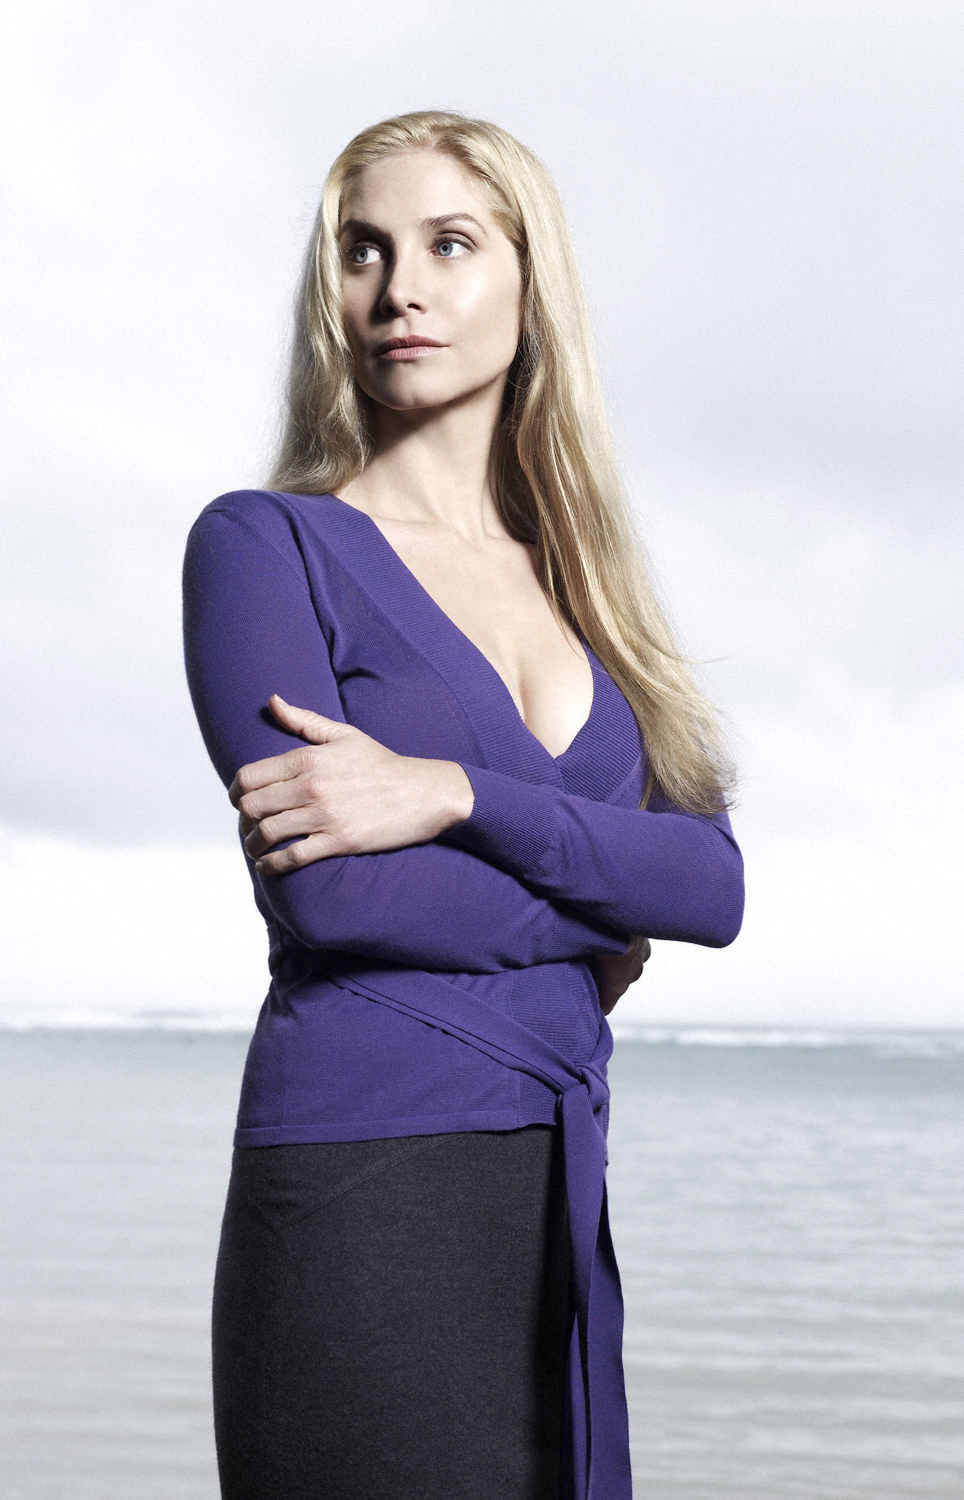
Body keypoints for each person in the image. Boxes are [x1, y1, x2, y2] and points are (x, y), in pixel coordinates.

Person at [181, 108, 745, 1500]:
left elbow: (712, 888)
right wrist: (597, 904)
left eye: (449, 244)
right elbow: (340, 893)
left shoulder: (591, 586)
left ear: (528, 282)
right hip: (362, 1168)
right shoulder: (265, 544)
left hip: (554, 1168)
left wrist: (450, 794)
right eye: (363, 251)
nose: (399, 290)